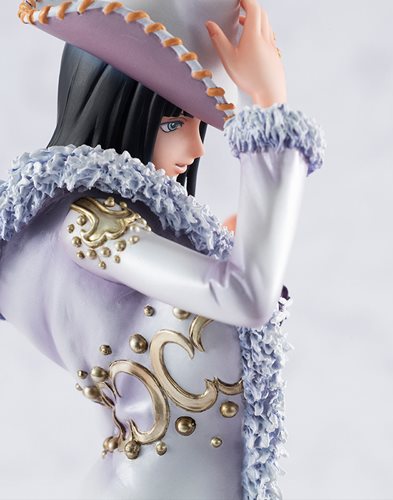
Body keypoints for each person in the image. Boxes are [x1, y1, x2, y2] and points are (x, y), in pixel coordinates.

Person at [0, 1, 324, 498]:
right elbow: (245, 295)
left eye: (197, 127)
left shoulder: (130, 230)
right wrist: (266, 106)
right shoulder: (91, 225)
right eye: (174, 123)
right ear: (114, 109)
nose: (197, 149)